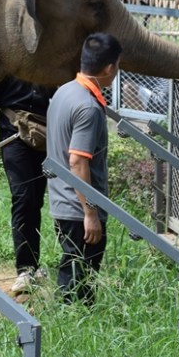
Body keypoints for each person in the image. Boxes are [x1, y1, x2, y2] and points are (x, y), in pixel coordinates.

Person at [46, 33, 122, 304]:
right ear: (110, 68)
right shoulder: (87, 107)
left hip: (62, 201)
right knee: (80, 285)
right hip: (79, 210)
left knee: (73, 270)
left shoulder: (64, 92)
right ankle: (71, 328)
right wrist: (90, 212)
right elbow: (77, 162)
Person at [0, 77, 55, 294]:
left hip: (44, 134)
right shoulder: (10, 62)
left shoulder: (51, 61)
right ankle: (25, 269)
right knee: (24, 198)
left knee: (36, 200)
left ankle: (33, 266)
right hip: (14, 134)